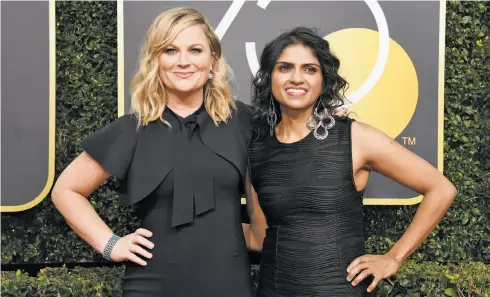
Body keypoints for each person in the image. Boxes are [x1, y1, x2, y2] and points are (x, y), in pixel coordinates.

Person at [52, 8, 254, 297]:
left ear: (213, 60)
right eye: (170, 50)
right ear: (155, 60)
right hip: (151, 285)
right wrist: (110, 244)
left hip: (230, 285)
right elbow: (65, 190)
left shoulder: (245, 123)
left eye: (195, 50)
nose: (183, 61)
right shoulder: (131, 130)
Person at [243, 27, 456, 297]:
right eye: (285, 67)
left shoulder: (355, 138)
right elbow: (259, 236)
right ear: (269, 77)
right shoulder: (257, 147)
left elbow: (441, 188)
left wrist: (394, 257)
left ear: (324, 80)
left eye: (309, 69)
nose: (296, 78)